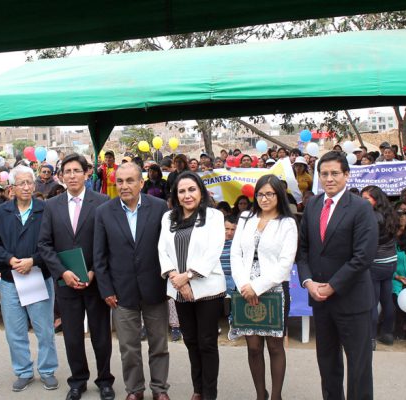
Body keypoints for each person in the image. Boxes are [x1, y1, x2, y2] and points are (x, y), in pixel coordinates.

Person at [297, 151, 378, 400]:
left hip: (352, 301)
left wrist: (332, 286)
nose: (329, 178)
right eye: (324, 174)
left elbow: (363, 257)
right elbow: (303, 250)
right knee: (328, 363)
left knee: (359, 367)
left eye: (334, 173)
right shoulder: (312, 205)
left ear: (346, 175)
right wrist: (308, 282)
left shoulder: (361, 208)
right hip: (321, 301)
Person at [37, 153, 115, 400]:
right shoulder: (51, 206)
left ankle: (104, 380)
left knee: (101, 335)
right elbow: (44, 245)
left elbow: (107, 243)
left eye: (76, 171)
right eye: (67, 172)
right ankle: (77, 380)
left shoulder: (102, 202)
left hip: (95, 281)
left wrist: (94, 271)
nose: (72, 176)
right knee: (72, 336)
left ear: (86, 173)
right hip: (66, 283)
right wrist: (63, 272)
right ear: (61, 176)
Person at [94, 162, 171, 400]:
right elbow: (100, 256)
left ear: (141, 183)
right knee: (129, 348)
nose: (124, 186)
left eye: (130, 181)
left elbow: (168, 249)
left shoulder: (159, 208)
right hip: (121, 291)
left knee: (159, 344)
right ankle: (134, 390)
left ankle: (159, 389)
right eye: (120, 181)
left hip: (154, 288)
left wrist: (168, 281)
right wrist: (106, 289)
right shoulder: (104, 212)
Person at [0, 165, 59, 392]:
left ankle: (47, 370)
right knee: (15, 330)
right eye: (21, 183)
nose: (26, 187)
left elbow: (53, 244)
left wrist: (34, 260)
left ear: (35, 185)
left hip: (39, 276)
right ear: (12, 188)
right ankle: (23, 371)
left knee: (44, 328)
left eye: (30, 182)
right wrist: (9, 260)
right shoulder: (2, 212)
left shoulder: (45, 210)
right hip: (10, 280)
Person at [158, 171, 226, 400]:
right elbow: (162, 250)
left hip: (207, 289)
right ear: (176, 195)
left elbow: (213, 251)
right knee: (191, 341)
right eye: (182, 191)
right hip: (178, 290)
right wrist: (176, 278)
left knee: (207, 343)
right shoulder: (168, 218)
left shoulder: (214, 216)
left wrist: (187, 276)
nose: (187, 195)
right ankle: (198, 389)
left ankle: (210, 393)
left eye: (191, 189)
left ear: (201, 191)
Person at [230, 175, 298, 400]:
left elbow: (285, 264)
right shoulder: (245, 218)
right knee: (253, 346)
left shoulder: (287, 223)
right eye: (260, 194)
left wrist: (257, 287)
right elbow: (236, 254)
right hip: (245, 288)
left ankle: (276, 396)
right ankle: (261, 394)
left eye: (270, 194)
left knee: (275, 346)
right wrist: (243, 284)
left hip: (274, 288)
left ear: (279, 195)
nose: (265, 198)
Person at [361, 186, 399, 348]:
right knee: (386, 299)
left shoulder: (373, 216)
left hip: (376, 263)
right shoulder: (391, 214)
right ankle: (388, 333)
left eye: (366, 198)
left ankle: (370, 338)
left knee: (372, 301)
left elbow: (369, 241)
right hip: (391, 261)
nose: (363, 201)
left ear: (376, 199)